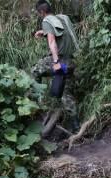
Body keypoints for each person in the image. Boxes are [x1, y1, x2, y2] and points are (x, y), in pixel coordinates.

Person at [32, 0, 80, 132]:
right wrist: (44, 32)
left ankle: (36, 104)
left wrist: (55, 61)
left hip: (61, 61)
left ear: (41, 12)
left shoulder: (47, 20)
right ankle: (76, 127)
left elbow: (52, 42)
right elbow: (62, 34)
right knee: (67, 95)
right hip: (70, 62)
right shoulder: (63, 18)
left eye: (39, 13)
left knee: (35, 71)